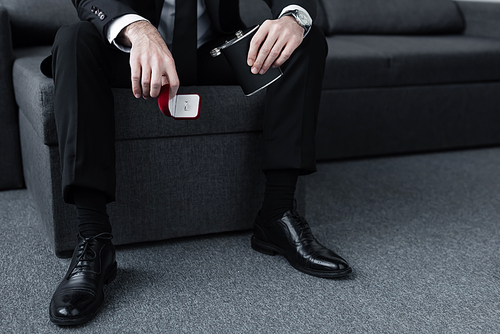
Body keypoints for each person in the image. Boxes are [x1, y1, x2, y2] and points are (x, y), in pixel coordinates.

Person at [43, 0, 352, 326]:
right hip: (132, 50)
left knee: (306, 39)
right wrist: (135, 27)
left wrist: (293, 18)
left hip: (212, 51)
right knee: (73, 38)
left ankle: (276, 215)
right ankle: (94, 240)